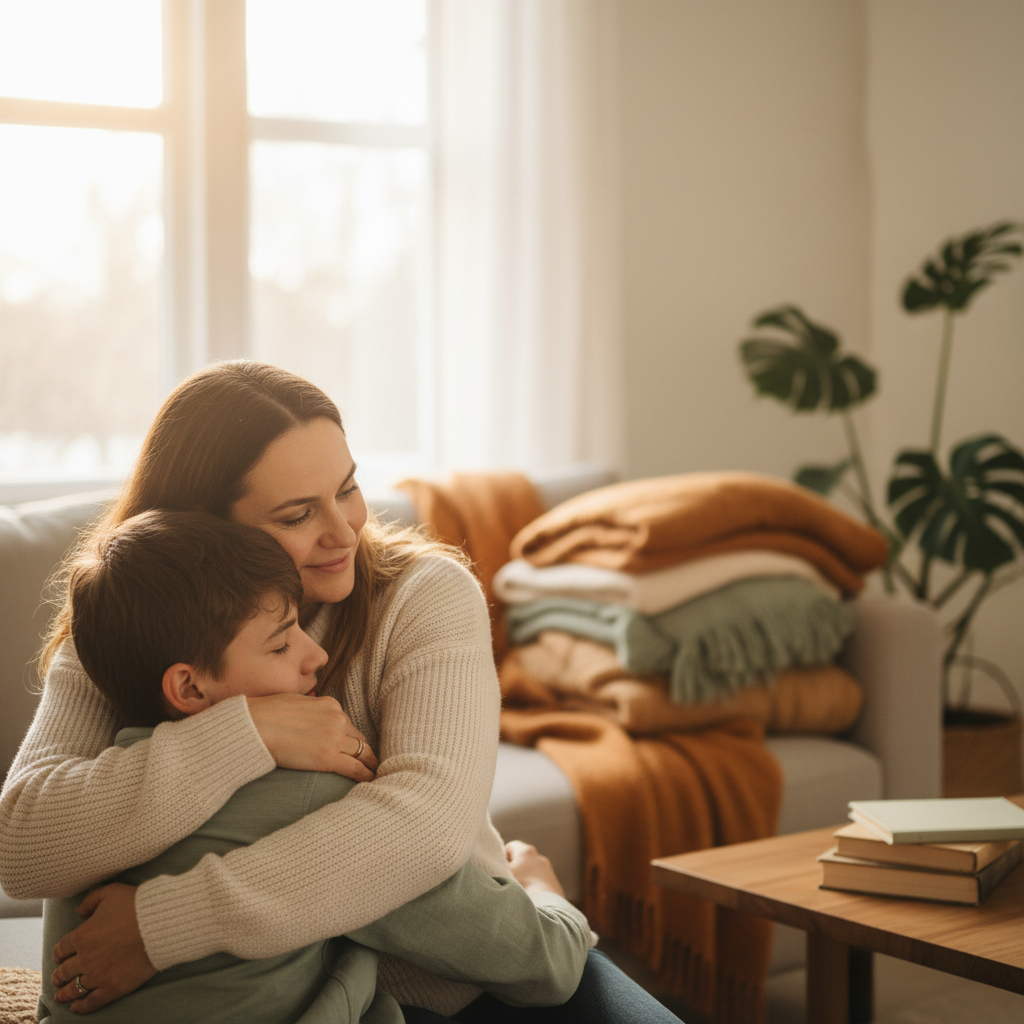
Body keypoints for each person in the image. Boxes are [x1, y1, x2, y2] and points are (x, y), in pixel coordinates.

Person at [0, 361, 683, 1023]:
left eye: (348, 488)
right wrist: (249, 733)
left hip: (463, 973)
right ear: (203, 526)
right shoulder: (135, 619)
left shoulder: (426, 595)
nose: (345, 530)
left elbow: (425, 830)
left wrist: (163, 924)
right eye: (298, 514)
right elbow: (23, 847)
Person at [38, 508, 591, 1023]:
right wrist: (546, 895)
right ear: (188, 686)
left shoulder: (83, 833)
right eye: (281, 645)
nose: (317, 655)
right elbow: (543, 964)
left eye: (347, 487)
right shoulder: (317, 797)